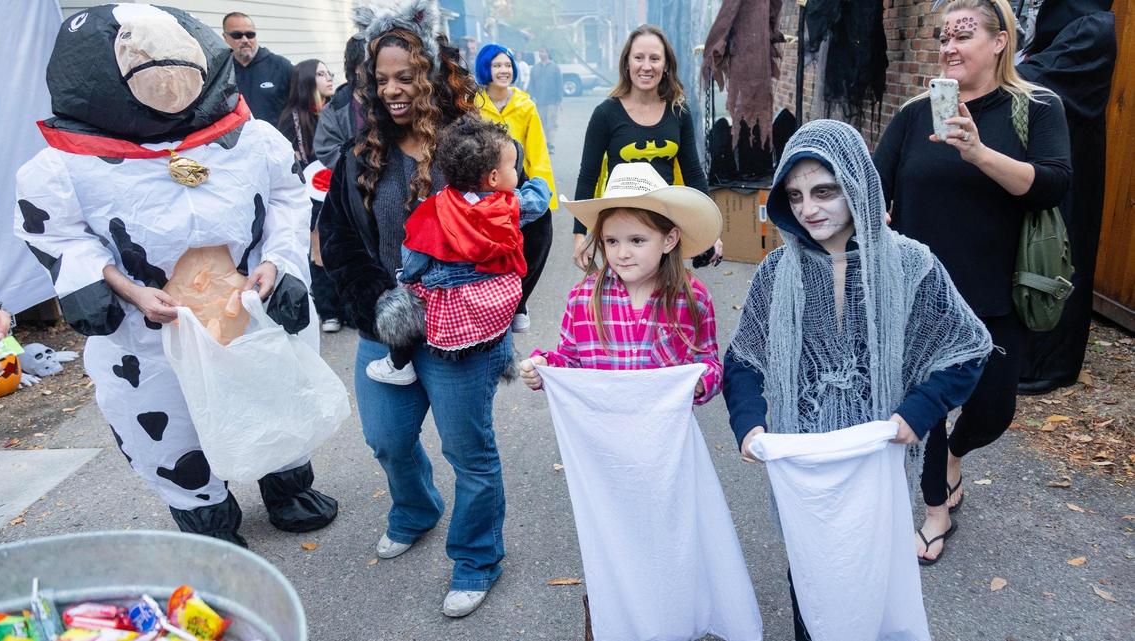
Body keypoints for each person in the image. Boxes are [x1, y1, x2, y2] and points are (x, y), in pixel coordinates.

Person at [15, 4, 337, 546]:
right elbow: (57, 233)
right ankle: (206, 517)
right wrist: (116, 287)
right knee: (167, 423)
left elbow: (286, 195)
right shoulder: (66, 167)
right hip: (151, 331)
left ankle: (287, 484)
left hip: (249, 307)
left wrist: (278, 262)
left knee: (274, 393)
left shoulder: (250, 138)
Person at [725, 119, 993, 639]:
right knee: (810, 579)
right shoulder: (777, 272)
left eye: (825, 191)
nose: (809, 208)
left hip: (877, 459)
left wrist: (917, 413)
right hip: (804, 460)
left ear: (858, 186)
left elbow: (966, 348)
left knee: (874, 576)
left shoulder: (911, 264)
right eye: (796, 195)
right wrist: (749, 426)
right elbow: (743, 361)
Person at [318, 0, 507, 618]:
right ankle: (416, 508)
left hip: (461, 332)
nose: (393, 89)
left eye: (405, 76)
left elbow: (521, 231)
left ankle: (477, 557)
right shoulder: (358, 156)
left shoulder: (475, 147)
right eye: (382, 79)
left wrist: (492, 306)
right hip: (388, 325)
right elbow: (342, 243)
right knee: (387, 438)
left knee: (469, 452)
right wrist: (381, 308)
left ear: (429, 73)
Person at [873, 0, 1071, 564]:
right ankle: (935, 509)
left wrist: (978, 152)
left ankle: (958, 454)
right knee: (930, 405)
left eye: (963, 35)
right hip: (921, 297)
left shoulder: (1035, 108)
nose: (949, 47)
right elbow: (872, 183)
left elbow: (1053, 184)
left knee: (993, 410)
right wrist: (876, 215)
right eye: (943, 37)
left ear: (1000, 41)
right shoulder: (916, 114)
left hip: (997, 294)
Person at [520, 162, 738, 638]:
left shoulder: (691, 298)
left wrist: (694, 384)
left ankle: (675, 613)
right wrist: (543, 369)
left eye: (637, 241)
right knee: (614, 538)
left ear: (670, 240)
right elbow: (569, 358)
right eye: (612, 241)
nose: (621, 253)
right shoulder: (585, 298)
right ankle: (615, 617)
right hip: (607, 454)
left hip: (668, 451)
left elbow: (710, 362)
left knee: (671, 536)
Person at [367, 116, 550, 384]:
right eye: (514, 167)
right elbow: (539, 200)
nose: (517, 172)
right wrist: (538, 183)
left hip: (453, 300)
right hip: (500, 293)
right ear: (494, 177)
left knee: (405, 299)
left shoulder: (435, 207)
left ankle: (398, 363)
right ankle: (517, 315)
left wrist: (407, 277)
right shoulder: (509, 205)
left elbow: (416, 253)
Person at [1017, 0, 1117, 394]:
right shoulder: (1071, 26)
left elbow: (1039, 77)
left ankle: (1047, 365)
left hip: (1071, 165)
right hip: (1052, 158)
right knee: (1033, 249)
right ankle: (1024, 354)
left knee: (1058, 252)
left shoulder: (1093, 28)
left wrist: (995, 68)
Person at [572, 25, 721, 271]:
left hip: (663, 224)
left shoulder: (678, 113)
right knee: (622, 303)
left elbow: (693, 173)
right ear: (627, 64)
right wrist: (580, 235)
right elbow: (588, 176)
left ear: (666, 66)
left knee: (666, 299)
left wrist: (711, 232)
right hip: (619, 227)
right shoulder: (605, 114)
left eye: (655, 58)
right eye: (639, 57)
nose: (646, 66)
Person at [474, 43, 556, 334]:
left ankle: (519, 300)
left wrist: (544, 192)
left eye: (507, 65)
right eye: (497, 65)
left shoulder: (525, 105)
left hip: (515, 182)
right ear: (486, 69)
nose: (503, 70)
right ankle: (488, 303)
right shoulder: (472, 105)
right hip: (481, 187)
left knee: (540, 232)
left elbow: (538, 152)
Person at [278, 58, 346, 333]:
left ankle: (348, 307)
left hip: (340, 190)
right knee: (319, 252)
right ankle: (329, 311)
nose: (329, 78)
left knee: (344, 248)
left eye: (329, 73)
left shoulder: (337, 111)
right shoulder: (290, 120)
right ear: (306, 80)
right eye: (320, 74)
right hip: (311, 195)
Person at [223, 11, 293, 127]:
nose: (245, 40)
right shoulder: (222, 71)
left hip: (277, 143)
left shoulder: (281, 66)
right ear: (225, 37)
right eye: (237, 35)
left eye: (250, 34)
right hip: (240, 143)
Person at [314, 35, 368, 170]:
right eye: (370, 62)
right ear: (356, 67)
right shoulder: (334, 110)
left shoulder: (392, 98)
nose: (377, 67)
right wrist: (366, 161)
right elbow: (326, 151)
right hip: (358, 185)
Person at [527, 48, 563, 154]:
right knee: (541, 123)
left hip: (552, 101)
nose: (540, 53)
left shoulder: (555, 67)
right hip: (539, 101)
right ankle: (544, 143)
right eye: (539, 51)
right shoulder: (535, 68)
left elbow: (559, 84)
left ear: (548, 53)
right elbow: (531, 84)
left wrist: (559, 100)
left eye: (543, 51)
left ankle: (551, 144)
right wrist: (531, 97)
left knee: (551, 123)